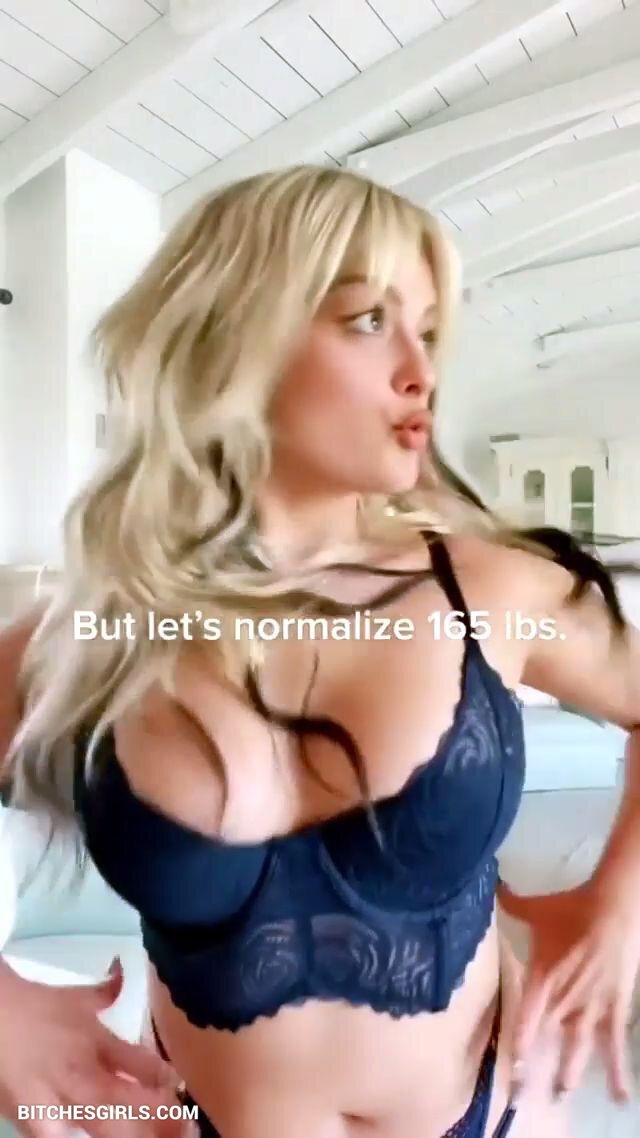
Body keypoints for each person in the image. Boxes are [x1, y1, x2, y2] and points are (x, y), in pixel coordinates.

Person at [1, 164, 640, 1138]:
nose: (420, 370)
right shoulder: (89, 639)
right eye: (369, 321)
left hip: (491, 1115)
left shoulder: (492, 591)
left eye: (429, 331)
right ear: (232, 336)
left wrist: (618, 907)